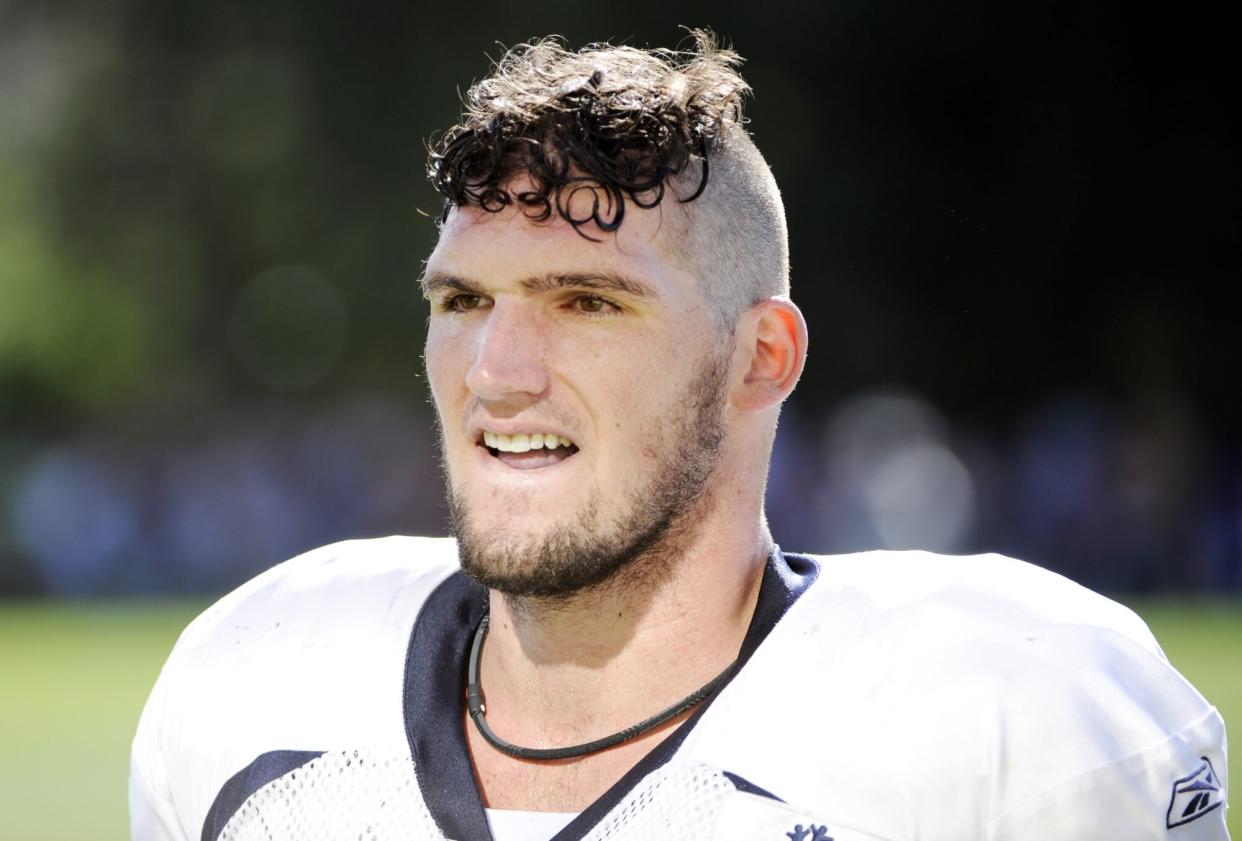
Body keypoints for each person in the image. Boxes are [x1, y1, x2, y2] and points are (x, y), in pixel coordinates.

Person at [130, 32, 1230, 841]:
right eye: (463, 302)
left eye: (588, 302)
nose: (496, 373)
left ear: (763, 358)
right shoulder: (253, 692)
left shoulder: (1008, 720)